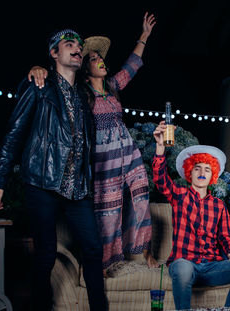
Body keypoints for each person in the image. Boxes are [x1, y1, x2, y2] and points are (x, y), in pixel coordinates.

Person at [28, 13, 158, 271]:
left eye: (100, 58)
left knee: (142, 194)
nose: (100, 61)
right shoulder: (81, 93)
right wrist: (36, 68)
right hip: (102, 158)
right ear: (86, 69)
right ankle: (107, 261)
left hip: (128, 152)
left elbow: (132, 65)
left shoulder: (112, 87)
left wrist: (144, 35)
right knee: (107, 210)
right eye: (94, 59)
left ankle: (145, 251)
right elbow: (57, 80)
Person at [0, 29, 107, 310]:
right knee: (45, 255)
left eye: (80, 46)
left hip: (78, 188)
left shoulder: (83, 95)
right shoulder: (38, 86)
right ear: (54, 54)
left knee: (92, 249)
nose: (77, 49)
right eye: (69, 45)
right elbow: (14, 134)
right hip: (42, 182)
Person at [152, 121, 230, 310]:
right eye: (197, 168)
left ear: (212, 176)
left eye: (207, 169)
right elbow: (160, 180)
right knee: (183, 268)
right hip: (184, 264)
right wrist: (160, 148)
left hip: (211, 266)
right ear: (189, 172)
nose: (202, 172)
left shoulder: (218, 205)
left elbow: (225, 236)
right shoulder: (179, 195)